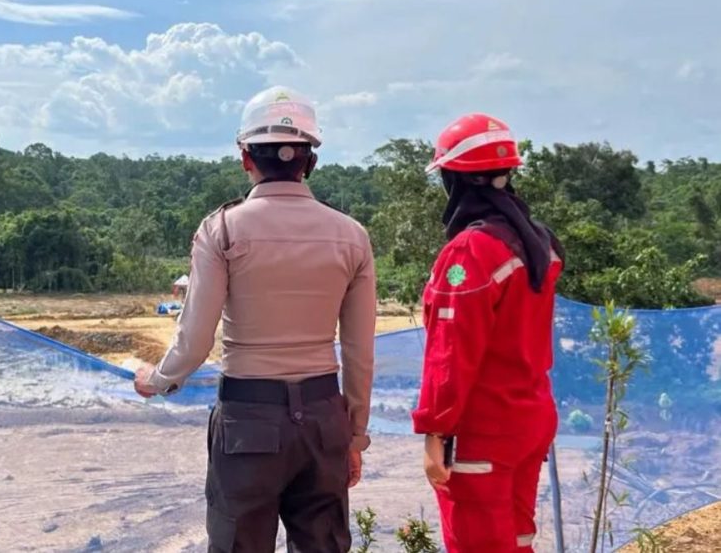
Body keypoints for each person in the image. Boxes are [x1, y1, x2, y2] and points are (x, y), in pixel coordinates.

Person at [134, 85, 378, 553]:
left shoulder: (221, 229)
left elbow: (196, 337)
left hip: (249, 422)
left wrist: (157, 379)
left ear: (246, 157)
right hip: (325, 419)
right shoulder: (352, 236)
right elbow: (359, 351)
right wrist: (355, 435)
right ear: (310, 161)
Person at [411, 113, 565, 552]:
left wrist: (435, 431)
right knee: (517, 538)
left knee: (477, 542)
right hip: (530, 417)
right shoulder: (538, 242)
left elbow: (451, 352)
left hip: (484, 429)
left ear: (457, 180)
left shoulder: (470, 251)